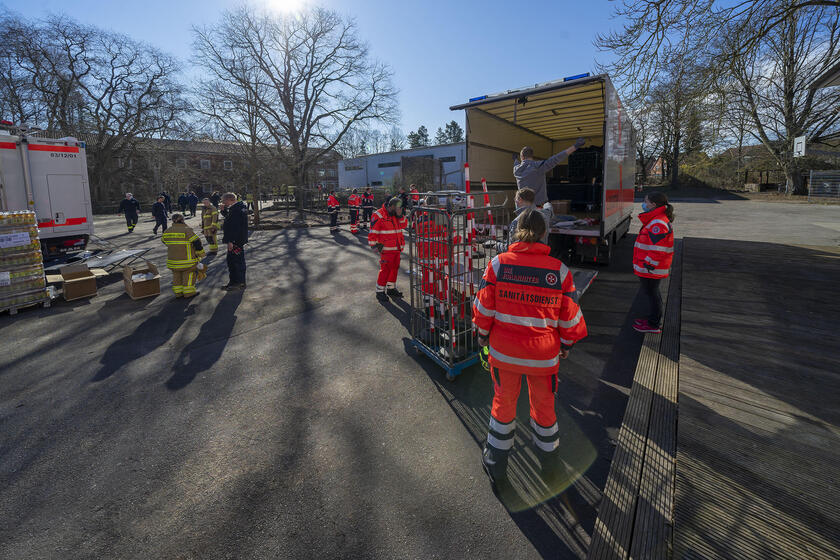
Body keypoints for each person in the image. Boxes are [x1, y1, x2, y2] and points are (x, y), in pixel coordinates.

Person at [472, 209, 588, 488]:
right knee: (544, 408)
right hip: (543, 357)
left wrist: (482, 336)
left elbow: (484, 307)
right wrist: (567, 344)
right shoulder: (559, 271)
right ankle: (551, 469)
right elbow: (570, 316)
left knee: (503, 405)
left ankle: (496, 466)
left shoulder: (499, 264)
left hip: (504, 354)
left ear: (516, 230)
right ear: (545, 233)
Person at [632, 192, 675, 334]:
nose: (643, 204)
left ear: (653, 204)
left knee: (653, 295)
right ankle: (652, 319)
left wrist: (648, 264)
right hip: (651, 268)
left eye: (646, 201)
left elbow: (659, 249)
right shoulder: (656, 219)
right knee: (652, 294)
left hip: (651, 269)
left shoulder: (658, 222)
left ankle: (654, 324)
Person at [514, 137, 587, 205]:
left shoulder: (516, 169)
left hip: (522, 206)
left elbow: (516, 164)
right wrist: (576, 146)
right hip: (538, 206)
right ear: (532, 156)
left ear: (522, 157)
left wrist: (515, 159)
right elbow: (556, 158)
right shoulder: (539, 167)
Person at [369, 197, 408, 302]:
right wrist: (374, 246)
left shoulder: (396, 214)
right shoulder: (378, 214)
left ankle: (391, 288)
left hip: (397, 248)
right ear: (391, 206)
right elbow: (373, 231)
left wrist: (400, 215)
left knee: (394, 268)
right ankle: (380, 292)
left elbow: (404, 224)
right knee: (385, 270)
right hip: (386, 249)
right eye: (397, 209)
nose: (398, 210)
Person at [161, 213, 205, 298]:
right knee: (189, 274)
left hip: (173, 261)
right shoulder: (186, 229)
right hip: (187, 261)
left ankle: (178, 293)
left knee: (176, 276)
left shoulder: (167, 231)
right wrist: (200, 253)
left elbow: (163, 241)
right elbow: (196, 242)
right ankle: (189, 292)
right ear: (182, 220)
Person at [220, 192, 248, 290]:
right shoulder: (237, 208)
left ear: (230, 199)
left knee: (236, 262)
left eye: (224, 200)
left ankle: (239, 283)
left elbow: (235, 226)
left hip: (236, 240)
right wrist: (224, 211)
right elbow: (230, 220)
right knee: (231, 261)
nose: (223, 202)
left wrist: (231, 241)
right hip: (237, 240)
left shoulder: (236, 209)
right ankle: (233, 282)